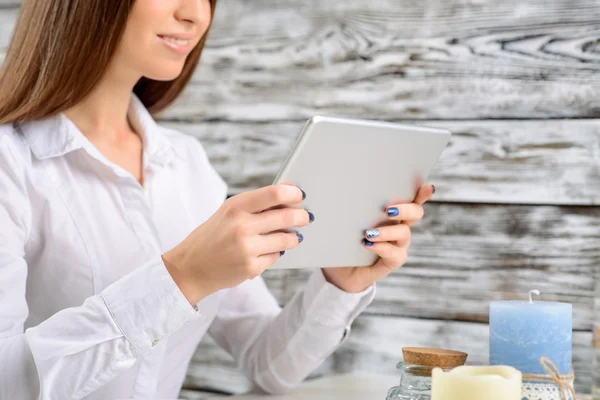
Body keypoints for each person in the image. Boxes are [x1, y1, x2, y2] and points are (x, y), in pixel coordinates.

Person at [0, 0, 435, 399]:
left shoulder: (187, 164)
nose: (196, 15)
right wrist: (182, 276)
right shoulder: (10, 162)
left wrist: (341, 283)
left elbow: (270, 365)